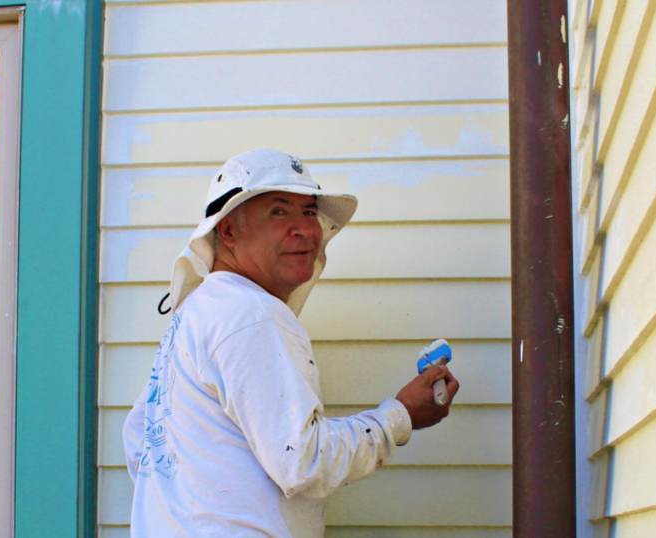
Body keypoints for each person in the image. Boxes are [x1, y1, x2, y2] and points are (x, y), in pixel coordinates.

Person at [122, 148, 460, 537]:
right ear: (228, 231)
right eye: (279, 212)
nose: (305, 229)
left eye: (309, 211)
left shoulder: (202, 310)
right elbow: (304, 460)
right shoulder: (250, 314)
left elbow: (138, 439)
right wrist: (400, 416)